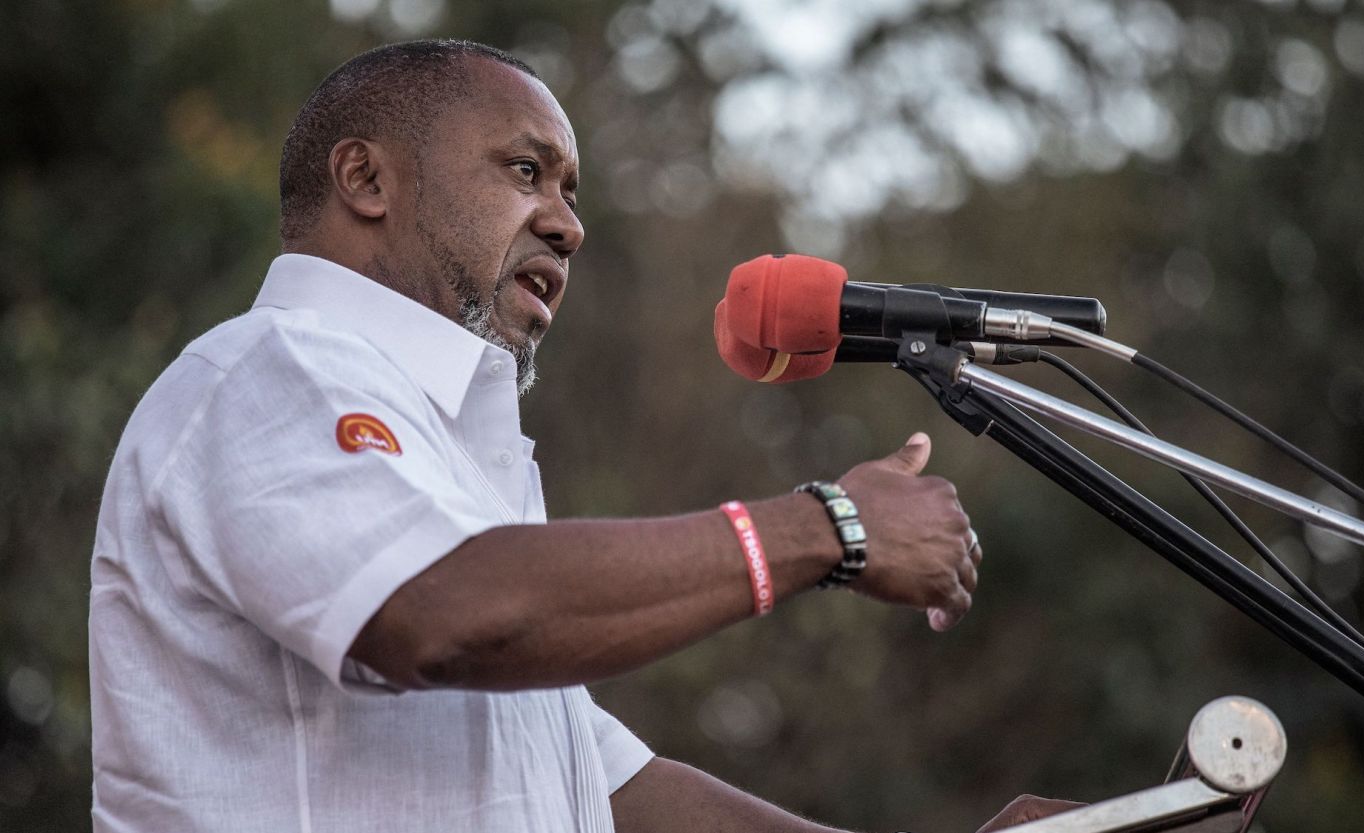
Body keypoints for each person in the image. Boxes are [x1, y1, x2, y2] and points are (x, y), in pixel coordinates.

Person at [89, 39, 1075, 833]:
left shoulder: (465, 459)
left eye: (572, 192)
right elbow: (440, 614)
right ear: (365, 179)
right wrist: (827, 526)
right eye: (528, 171)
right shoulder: (269, 370)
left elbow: (600, 788)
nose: (568, 226)